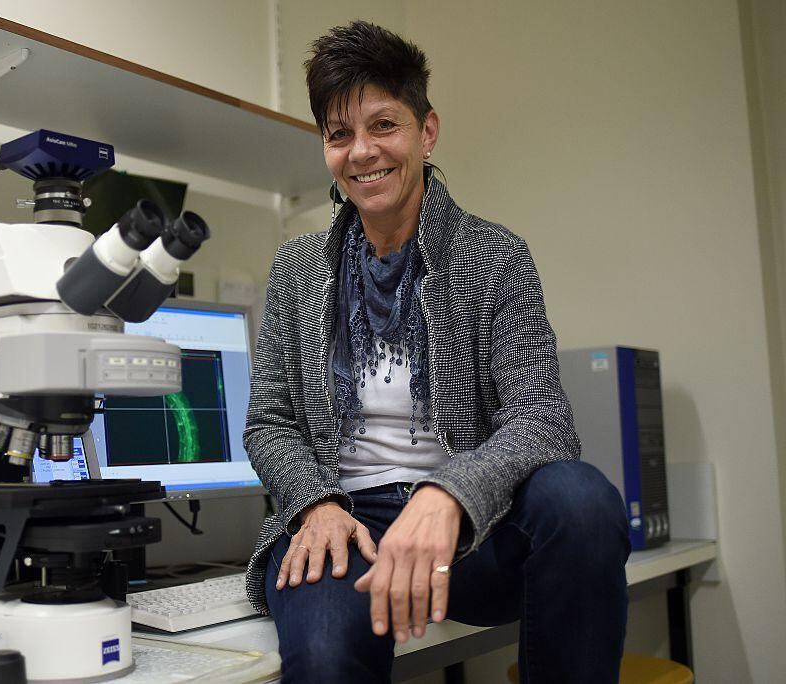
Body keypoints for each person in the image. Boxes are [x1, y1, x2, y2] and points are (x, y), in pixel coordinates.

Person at [242, 20, 631, 684]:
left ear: (426, 131)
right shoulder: (296, 269)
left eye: (383, 126)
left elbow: (544, 419)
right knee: (327, 656)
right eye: (339, 136)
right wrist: (315, 504)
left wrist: (448, 493)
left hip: (468, 533)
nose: (362, 152)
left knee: (584, 501)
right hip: (347, 526)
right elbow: (269, 423)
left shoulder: (495, 258)